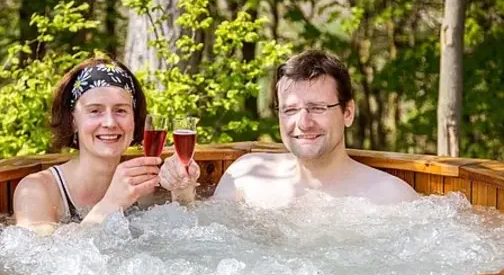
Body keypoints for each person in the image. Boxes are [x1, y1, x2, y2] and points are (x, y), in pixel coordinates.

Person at [159, 50, 419, 207]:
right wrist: (182, 192)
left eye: (317, 108)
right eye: (291, 110)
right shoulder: (247, 175)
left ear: (347, 112)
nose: (303, 123)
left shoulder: (390, 198)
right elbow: (196, 245)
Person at [13, 58, 162, 233]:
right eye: (94, 111)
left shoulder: (141, 186)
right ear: (73, 121)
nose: (109, 122)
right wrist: (111, 204)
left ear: (134, 119)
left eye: (120, 110)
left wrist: (183, 192)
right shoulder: (36, 190)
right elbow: (37, 258)